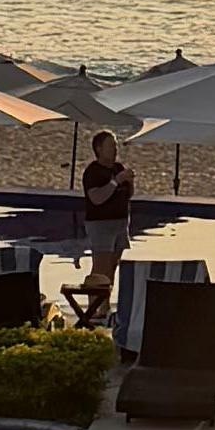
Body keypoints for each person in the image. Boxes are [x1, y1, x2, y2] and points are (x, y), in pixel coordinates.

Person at [76, 127, 137, 314]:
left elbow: (127, 195)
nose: (115, 149)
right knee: (101, 268)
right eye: (111, 146)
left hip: (120, 223)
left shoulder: (118, 168)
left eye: (115, 146)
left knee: (112, 267)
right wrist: (116, 181)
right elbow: (96, 198)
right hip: (101, 224)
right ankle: (94, 309)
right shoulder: (93, 172)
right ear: (99, 149)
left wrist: (129, 182)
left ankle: (104, 306)